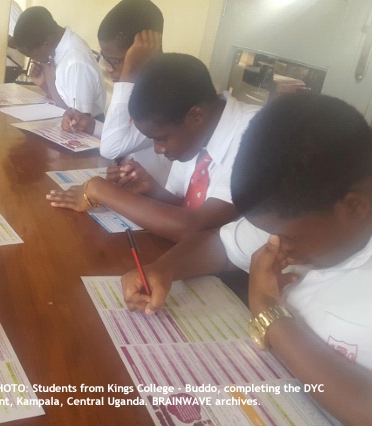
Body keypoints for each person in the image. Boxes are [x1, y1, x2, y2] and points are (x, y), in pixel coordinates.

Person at [121, 93, 371, 426]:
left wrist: (268, 312)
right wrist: (164, 269)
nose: (275, 245)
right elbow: (220, 244)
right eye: (268, 233)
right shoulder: (297, 211)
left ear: (355, 207)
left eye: (288, 237)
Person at [47, 53, 253, 242]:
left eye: (161, 139)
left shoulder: (254, 138)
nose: (158, 149)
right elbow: (185, 207)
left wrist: (99, 189)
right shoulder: (196, 133)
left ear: (196, 116)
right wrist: (152, 190)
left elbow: (193, 228)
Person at [62, 0, 171, 186]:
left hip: (156, 196)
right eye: (105, 59)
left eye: (116, 61)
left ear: (144, 52)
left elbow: (111, 148)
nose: (108, 68)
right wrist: (91, 126)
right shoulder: (140, 83)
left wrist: (127, 74)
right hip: (131, 185)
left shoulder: (166, 91)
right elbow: (128, 136)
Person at [13, 6, 106, 119]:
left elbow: (77, 121)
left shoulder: (76, 63)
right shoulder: (57, 51)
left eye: (33, 56)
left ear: (46, 44)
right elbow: (64, 101)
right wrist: (44, 83)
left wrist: (51, 81)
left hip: (87, 126)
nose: (34, 60)